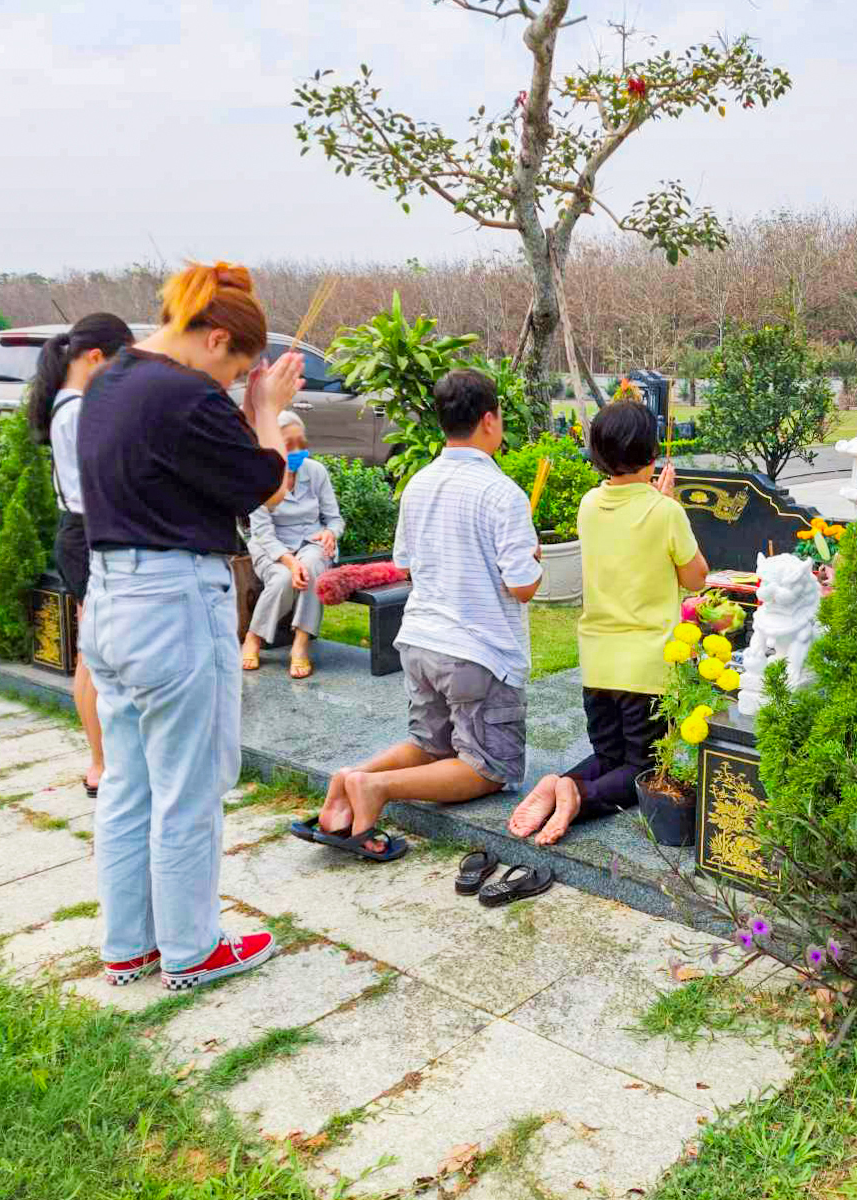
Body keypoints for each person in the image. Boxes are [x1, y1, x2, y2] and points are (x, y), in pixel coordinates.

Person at [77, 261, 300, 991]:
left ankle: (128, 947)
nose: (231, 383)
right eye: (234, 369)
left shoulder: (111, 379)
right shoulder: (183, 393)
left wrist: (244, 399)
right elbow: (267, 484)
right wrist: (266, 408)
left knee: (129, 784)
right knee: (190, 784)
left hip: (111, 598)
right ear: (215, 339)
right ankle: (192, 949)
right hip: (173, 602)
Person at [298, 367, 541, 860]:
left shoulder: (418, 484)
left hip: (419, 642)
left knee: (431, 746)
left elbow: (405, 565)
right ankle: (378, 788)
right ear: (490, 420)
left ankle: (351, 778)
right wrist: (533, 560)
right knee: (490, 768)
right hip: (477, 653)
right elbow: (522, 587)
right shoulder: (504, 494)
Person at [509, 400, 708, 846]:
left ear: (597, 453)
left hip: (598, 660)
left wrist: (657, 501)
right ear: (652, 453)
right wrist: (666, 502)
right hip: (647, 667)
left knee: (608, 755)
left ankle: (558, 785)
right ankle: (576, 797)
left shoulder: (589, 504)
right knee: (642, 768)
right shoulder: (665, 512)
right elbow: (696, 578)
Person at [26, 312, 135, 801]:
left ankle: (102, 761)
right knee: (93, 658)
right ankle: (99, 764)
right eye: (120, 361)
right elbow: (97, 487)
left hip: (83, 533)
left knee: (93, 655)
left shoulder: (69, 405)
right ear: (95, 358)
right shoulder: (76, 411)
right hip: (88, 535)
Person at [242, 411, 343, 679]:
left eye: (301, 442)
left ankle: (301, 642)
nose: (297, 450)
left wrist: (330, 533)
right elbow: (262, 533)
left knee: (311, 566)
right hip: (272, 548)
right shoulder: (258, 476)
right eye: (289, 444)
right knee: (284, 578)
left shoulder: (316, 471)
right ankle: (254, 636)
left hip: (312, 542)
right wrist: (289, 561)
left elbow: (334, 519)